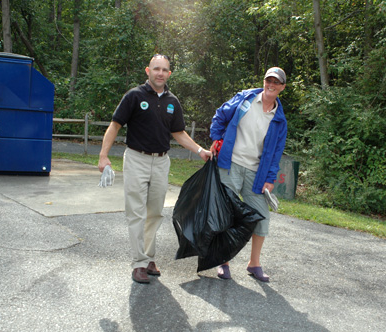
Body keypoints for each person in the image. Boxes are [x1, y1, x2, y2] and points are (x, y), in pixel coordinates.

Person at [98, 54, 212, 284]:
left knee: (155, 213)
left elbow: (178, 133)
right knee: (136, 213)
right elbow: (115, 125)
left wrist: (200, 151)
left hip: (161, 162)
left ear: (169, 74)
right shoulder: (134, 96)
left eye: (164, 70)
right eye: (156, 69)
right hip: (136, 159)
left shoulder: (173, 101)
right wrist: (103, 156)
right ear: (147, 71)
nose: (160, 73)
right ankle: (139, 263)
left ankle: (149, 257)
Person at [209, 67, 288, 282]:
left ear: (282, 87)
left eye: (276, 82)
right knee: (226, 212)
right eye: (268, 80)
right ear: (264, 81)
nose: (271, 85)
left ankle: (254, 264)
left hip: (256, 172)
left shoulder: (280, 120)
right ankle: (223, 261)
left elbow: (275, 153)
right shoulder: (245, 98)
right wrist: (216, 139)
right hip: (231, 164)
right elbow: (220, 115)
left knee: (261, 216)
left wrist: (270, 179)